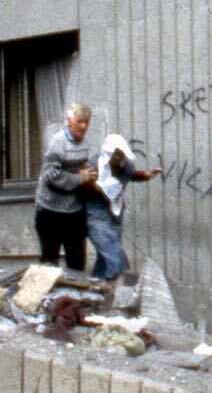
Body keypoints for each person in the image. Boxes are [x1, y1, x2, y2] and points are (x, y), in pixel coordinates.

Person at [86, 133, 163, 282]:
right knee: (115, 258)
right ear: (109, 154)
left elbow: (131, 174)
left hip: (114, 217)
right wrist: (92, 185)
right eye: (116, 155)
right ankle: (112, 291)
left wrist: (146, 175)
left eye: (121, 156)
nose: (119, 159)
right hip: (94, 218)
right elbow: (79, 183)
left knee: (104, 260)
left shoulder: (123, 165)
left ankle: (95, 292)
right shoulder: (93, 166)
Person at [34, 102, 97, 271]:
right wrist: (80, 178)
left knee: (77, 263)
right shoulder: (57, 142)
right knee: (49, 264)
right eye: (79, 121)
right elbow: (51, 175)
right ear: (69, 121)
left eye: (87, 122)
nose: (84, 126)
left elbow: (81, 172)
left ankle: (73, 297)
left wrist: (89, 174)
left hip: (74, 211)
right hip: (50, 211)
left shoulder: (85, 144)